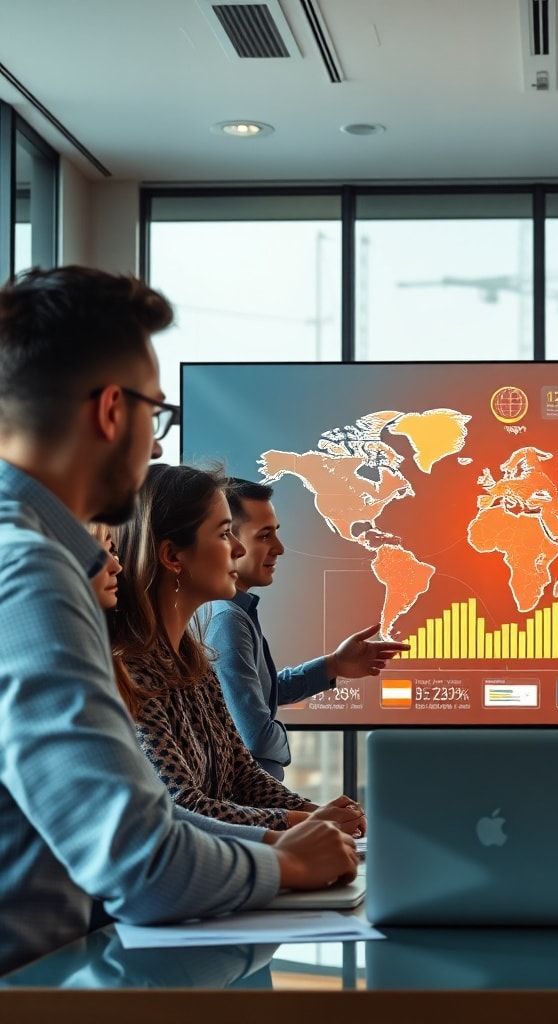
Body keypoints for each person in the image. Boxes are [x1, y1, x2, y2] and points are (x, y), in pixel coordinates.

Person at [0, 267, 357, 974]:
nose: (158, 446)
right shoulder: (31, 574)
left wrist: (280, 846)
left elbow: (150, 822)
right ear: (110, 411)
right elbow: (143, 863)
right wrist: (281, 864)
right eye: (155, 416)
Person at [111, 463, 366, 833]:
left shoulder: (194, 662)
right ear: (172, 557)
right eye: (225, 533)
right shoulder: (132, 672)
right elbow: (183, 806)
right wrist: (304, 822)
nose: (238, 548)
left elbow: (243, 772)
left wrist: (319, 813)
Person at [206, 478, 407, 781]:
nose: (279, 548)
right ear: (229, 541)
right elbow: (255, 737)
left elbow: (263, 695)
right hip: (253, 809)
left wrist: (334, 665)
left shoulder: (237, 612)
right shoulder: (227, 620)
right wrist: (288, 747)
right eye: (264, 536)